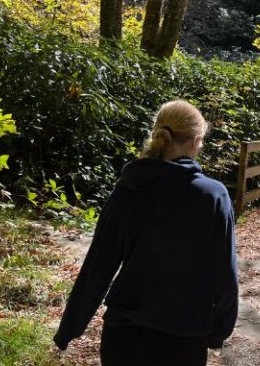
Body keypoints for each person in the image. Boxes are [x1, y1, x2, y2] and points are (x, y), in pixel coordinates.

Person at [53, 100, 238, 366]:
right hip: (183, 337)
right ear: (196, 141)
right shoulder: (212, 196)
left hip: (124, 334)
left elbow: (98, 264)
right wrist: (219, 330)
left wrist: (69, 329)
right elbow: (225, 273)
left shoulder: (129, 188)